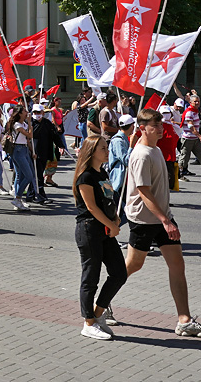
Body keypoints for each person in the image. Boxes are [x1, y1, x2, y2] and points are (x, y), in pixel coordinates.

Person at [123, 109, 201, 337]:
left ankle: (184, 320)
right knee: (134, 265)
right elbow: (143, 192)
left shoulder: (154, 149)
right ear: (143, 128)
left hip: (162, 217)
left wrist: (166, 218)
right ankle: (102, 301)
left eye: (161, 124)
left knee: (177, 264)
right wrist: (165, 220)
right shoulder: (142, 154)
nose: (161, 128)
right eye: (155, 125)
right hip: (144, 220)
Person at [73, 135, 127, 341]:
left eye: (107, 148)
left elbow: (107, 199)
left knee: (119, 273)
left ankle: (97, 314)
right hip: (89, 230)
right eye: (103, 148)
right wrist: (111, 224)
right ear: (92, 152)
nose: (107, 151)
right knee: (91, 278)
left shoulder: (102, 172)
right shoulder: (85, 177)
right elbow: (91, 207)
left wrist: (115, 218)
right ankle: (88, 323)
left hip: (105, 228)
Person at [5, 106, 36, 212]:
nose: (27, 112)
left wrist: (31, 151)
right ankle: (18, 197)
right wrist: (30, 122)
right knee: (28, 176)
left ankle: (18, 200)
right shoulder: (17, 125)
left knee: (19, 175)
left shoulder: (23, 124)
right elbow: (30, 135)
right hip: (18, 150)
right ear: (20, 114)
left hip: (24, 149)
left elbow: (27, 140)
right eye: (24, 111)